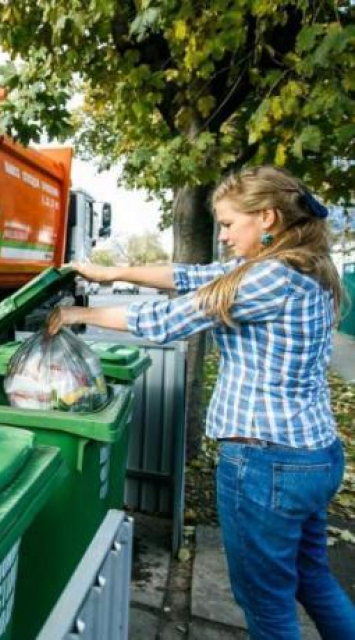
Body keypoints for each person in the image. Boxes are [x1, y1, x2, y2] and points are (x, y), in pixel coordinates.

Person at [48, 165, 354, 639]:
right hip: (313, 455)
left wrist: (78, 313)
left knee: (265, 603)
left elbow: (171, 319)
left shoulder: (269, 278)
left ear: (267, 217)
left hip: (265, 460)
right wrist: (111, 271)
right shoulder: (300, 267)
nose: (225, 235)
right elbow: (188, 274)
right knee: (311, 577)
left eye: (230, 224)